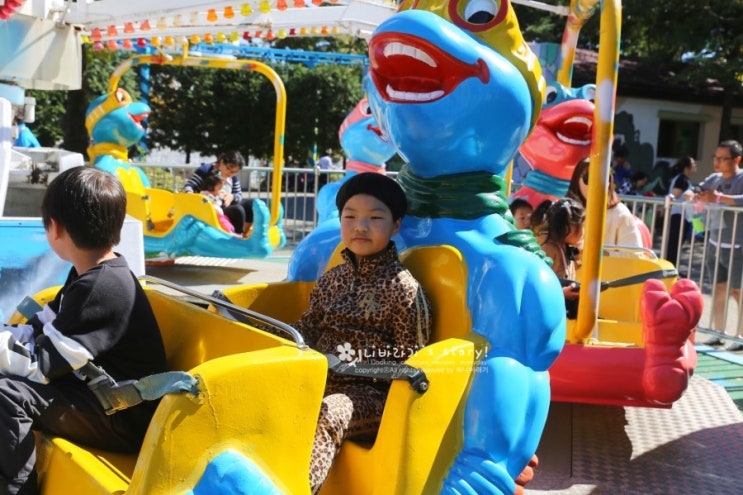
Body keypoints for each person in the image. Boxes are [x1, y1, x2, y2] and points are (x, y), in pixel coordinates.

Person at [0, 166, 167, 494]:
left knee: (6, 396)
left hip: (122, 416)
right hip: (96, 396)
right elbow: (41, 327)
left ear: (56, 228)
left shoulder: (102, 287)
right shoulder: (88, 274)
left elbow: (42, 364)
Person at [290, 173, 432, 493]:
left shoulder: (403, 289)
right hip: (319, 378)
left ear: (396, 225)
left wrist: (350, 366)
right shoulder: (332, 279)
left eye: (375, 218)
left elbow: (412, 366)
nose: (360, 227)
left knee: (329, 412)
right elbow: (306, 329)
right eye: (350, 217)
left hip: (372, 396)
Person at [695, 140, 743, 350]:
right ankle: (717, 333)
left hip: (737, 245)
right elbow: (698, 188)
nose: (718, 162)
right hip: (715, 242)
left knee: (738, 291)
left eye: (724, 159)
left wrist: (719, 197)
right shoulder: (713, 178)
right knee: (718, 288)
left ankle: (740, 337)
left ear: (737, 160)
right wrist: (694, 194)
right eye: (716, 157)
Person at [568, 158, 644, 252]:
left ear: (608, 182)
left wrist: (599, 255)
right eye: (587, 178)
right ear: (576, 180)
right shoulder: (567, 212)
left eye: (600, 178)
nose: (594, 184)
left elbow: (634, 255)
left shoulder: (620, 214)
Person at [183, 151, 254, 236]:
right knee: (238, 210)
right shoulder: (205, 170)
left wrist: (232, 197)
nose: (230, 173)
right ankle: (237, 237)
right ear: (222, 162)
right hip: (210, 208)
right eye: (228, 169)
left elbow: (238, 194)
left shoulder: (233, 177)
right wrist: (197, 198)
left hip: (224, 205)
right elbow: (189, 186)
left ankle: (244, 233)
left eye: (234, 172)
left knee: (251, 204)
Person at [540, 198, 585, 319]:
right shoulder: (549, 250)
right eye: (581, 226)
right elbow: (539, 285)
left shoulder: (565, 248)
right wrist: (562, 292)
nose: (583, 231)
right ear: (567, 228)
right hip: (551, 313)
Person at [666, 156, 697, 267]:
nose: (695, 166)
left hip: (682, 215)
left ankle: (672, 267)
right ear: (687, 167)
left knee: (675, 244)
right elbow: (675, 194)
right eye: (693, 164)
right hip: (679, 215)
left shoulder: (682, 178)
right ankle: (670, 268)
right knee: (674, 244)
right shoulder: (682, 179)